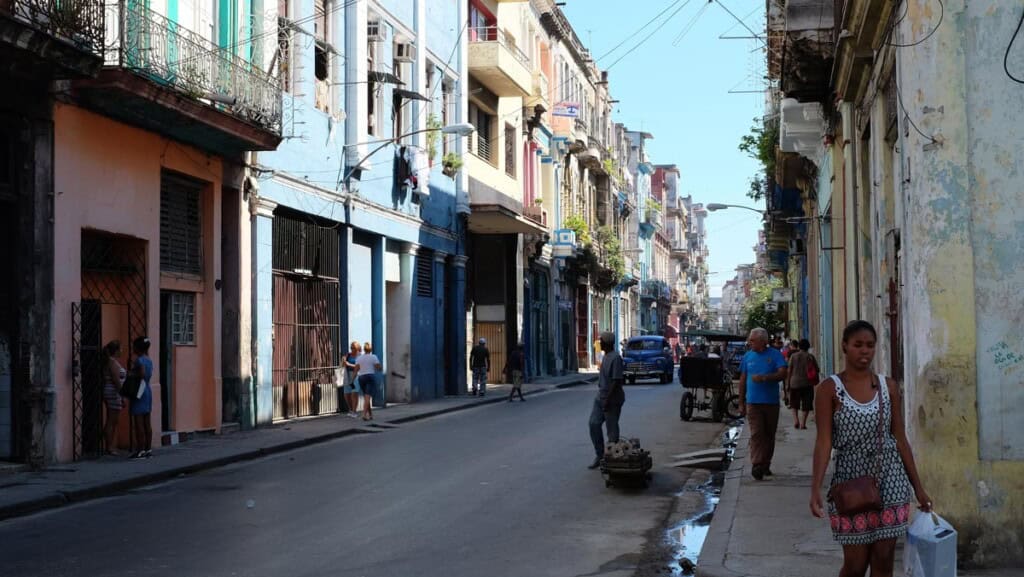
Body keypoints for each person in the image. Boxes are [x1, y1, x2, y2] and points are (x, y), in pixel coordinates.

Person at [811, 320, 931, 577]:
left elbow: (900, 438)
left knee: (884, 560)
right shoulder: (829, 389)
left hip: (891, 479)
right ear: (845, 346)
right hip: (850, 481)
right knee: (855, 564)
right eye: (857, 345)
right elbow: (823, 442)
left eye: (869, 346)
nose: (864, 351)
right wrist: (815, 489)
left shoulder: (888, 387)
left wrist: (918, 488)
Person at [738, 327, 788, 480]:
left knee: (769, 434)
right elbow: (742, 379)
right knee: (756, 433)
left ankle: (766, 463)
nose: (750, 342)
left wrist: (766, 378)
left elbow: (783, 373)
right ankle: (757, 464)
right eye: (750, 340)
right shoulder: (748, 356)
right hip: (753, 402)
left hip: (771, 402)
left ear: (763, 342)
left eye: (753, 340)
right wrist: (741, 402)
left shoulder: (775, 355)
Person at [588, 332, 625, 470]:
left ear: (607, 343)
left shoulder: (615, 358)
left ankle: (611, 460)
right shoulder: (606, 357)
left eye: (601, 341)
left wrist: (608, 400)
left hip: (612, 399)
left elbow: (616, 382)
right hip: (600, 396)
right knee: (593, 424)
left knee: (612, 431)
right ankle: (600, 454)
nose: (600, 343)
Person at [129, 336, 154, 459]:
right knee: (147, 422)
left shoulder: (139, 360)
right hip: (147, 390)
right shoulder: (149, 360)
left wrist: (133, 373)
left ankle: (140, 450)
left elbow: (142, 373)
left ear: (137, 348)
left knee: (138, 422)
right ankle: (148, 448)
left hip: (139, 391)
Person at [785, 338, 818, 429]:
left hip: (794, 383)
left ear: (799, 346)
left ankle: (796, 421)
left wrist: (788, 384)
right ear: (808, 347)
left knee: (794, 403)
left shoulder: (793, 356)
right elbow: (817, 369)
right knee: (806, 404)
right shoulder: (810, 356)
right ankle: (803, 423)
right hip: (807, 383)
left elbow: (789, 370)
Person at [100, 341, 126, 456]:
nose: (121, 351)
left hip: (112, 392)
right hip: (114, 393)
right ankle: (109, 447)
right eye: (120, 349)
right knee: (111, 420)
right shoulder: (112, 363)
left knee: (113, 420)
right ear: (115, 351)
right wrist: (122, 396)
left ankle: (109, 446)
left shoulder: (111, 362)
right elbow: (116, 381)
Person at [355, 342, 382, 421]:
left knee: (366, 396)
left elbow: (356, 369)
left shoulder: (359, 358)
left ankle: (370, 415)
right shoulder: (373, 357)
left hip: (361, 377)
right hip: (370, 377)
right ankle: (364, 414)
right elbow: (378, 367)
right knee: (368, 396)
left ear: (364, 349)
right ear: (371, 349)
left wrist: (352, 379)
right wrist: (379, 367)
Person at [343, 341, 362, 418]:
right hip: (347, 375)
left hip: (355, 375)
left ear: (357, 348)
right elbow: (343, 365)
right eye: (351, 347)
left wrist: (349, 364)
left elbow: (359, 367)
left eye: (353, 347)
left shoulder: (360, 356)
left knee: (354, 393)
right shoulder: (348, 355)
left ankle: (354, 411)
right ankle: (350, 409)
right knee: (346, 394)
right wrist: (343, 361)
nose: (351, 349)